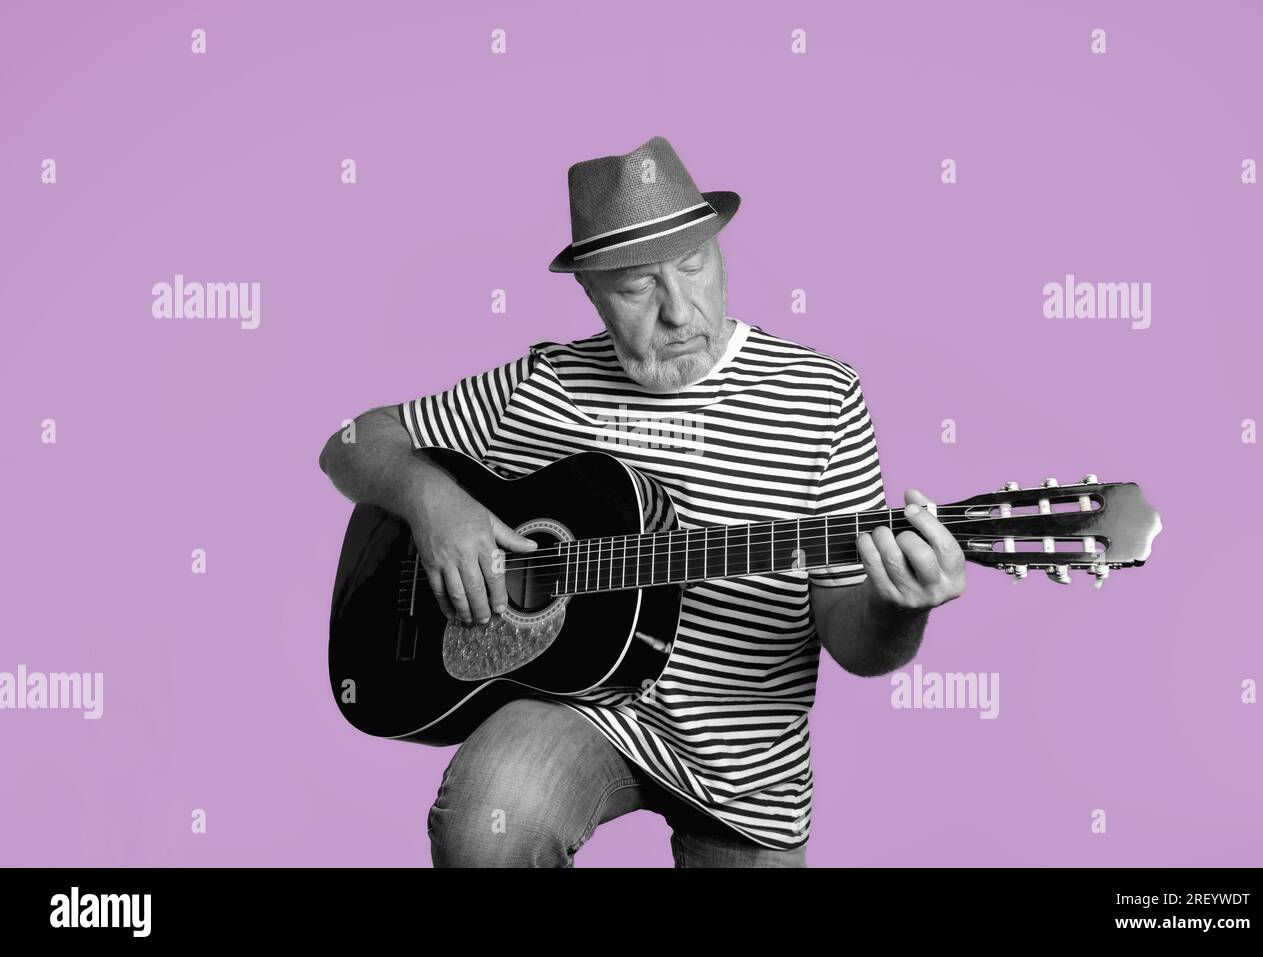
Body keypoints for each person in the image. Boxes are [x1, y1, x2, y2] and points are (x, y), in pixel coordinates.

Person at [318, 136, 966, 867]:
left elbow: (854, 638)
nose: (679, 308)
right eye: (635, 287)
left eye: (695, 265)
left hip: (741, 768)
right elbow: (349, 441)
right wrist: (435, 505)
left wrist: (900, 606)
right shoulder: (546, 382)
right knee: (486, 819)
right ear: (590, 291)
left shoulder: (822, 396)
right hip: (579, 710)